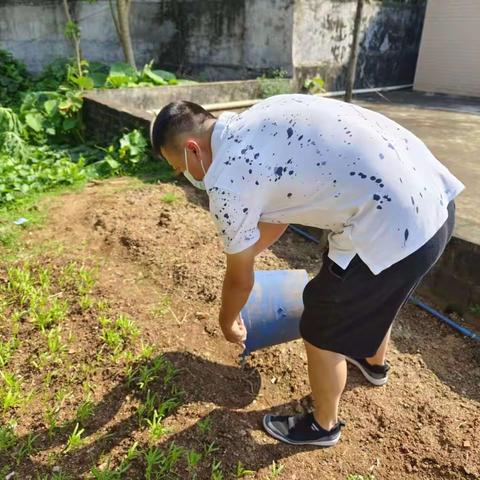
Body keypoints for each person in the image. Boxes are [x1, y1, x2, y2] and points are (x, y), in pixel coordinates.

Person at [149, 94, 464, 447]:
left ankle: (323, 426)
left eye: (179, 167)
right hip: (434, 204)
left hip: (397, 227)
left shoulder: (226, 181)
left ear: (193, 149)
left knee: (321, 322)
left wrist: (228, 318)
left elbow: (239, 279)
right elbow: (279, 215)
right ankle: (372, 362)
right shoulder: (259, 118)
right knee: (373, 288)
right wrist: (244, 249)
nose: (183, 175)